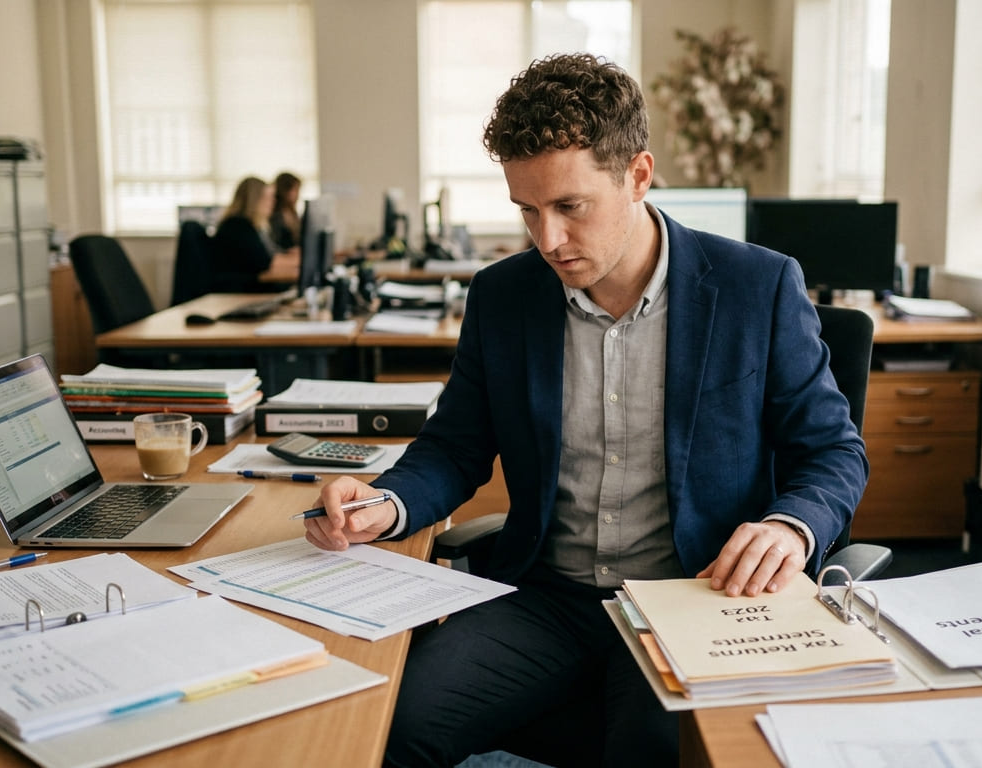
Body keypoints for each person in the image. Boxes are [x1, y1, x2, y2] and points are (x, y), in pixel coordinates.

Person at [304, 53, 868, 768]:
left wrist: (792, 529)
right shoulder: (503, 296)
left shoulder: (757, 287)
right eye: (527, 210)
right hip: (549, 597)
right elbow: (455, 448)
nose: (548, 241)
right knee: (395, 723)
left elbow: (833, 453)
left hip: (693, 596)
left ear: (637, 175)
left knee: (651, 751)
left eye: (570, 207)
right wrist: (385, 505)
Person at [211, 176, 295, 292]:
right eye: (268, 198)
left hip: (249, 290)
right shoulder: (237, 226)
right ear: (255, 200)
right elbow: (267, 265)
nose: (273, 202)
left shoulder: (256, 226)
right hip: (236, 293)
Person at [268, 171, 302, 251]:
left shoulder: (293, 212)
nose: (298, 194)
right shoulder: (275, 216)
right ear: (285, 191)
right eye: (295, 190)